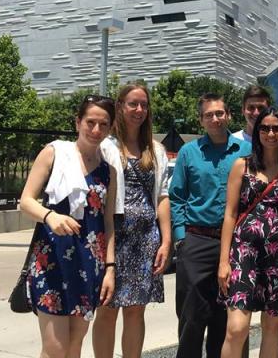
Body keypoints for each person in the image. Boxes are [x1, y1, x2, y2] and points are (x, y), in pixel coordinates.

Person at [19, 95, 117, 358]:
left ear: (110, 128)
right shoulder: (54, 153)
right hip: (52, 261)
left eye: (103, 124)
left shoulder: (109, 171)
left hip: (89, 265)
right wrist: (50, 216)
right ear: (78, 122)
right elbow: (26, 201)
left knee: (75, 345)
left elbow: (107, 223)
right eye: (90, 122)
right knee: (55, 349)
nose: (96, 130)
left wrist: (110, 269)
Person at [218, 107, 278, 358]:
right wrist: (223, 261)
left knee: (272, 328)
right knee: (236, 329)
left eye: (277, 128)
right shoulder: (241, 166)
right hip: (243, 252)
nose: (271, 133)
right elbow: (230, 215)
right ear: (257, 132)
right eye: (265, 128)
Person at [169, 93, 252, 358]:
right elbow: (177, 197)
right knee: (192, 317)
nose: (215, 119)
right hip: (197, 241)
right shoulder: (188, 152)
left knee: (229, 319)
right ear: (200, 120)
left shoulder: (246, 151)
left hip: (237, 243)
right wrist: (181, 239)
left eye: (219, 113)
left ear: (228, 115)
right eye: (208, 115)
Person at [93, 84, 171, 358]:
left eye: (144, 105)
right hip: (114, 236)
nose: (139, 110)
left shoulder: (156, 150)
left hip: (145, 238)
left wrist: (166, 240)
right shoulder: (105, 146)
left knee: (136, 311)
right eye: (133, 104)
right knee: (107, 308)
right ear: (120, 107)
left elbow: (162, 197)